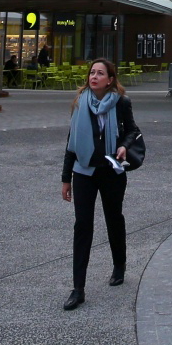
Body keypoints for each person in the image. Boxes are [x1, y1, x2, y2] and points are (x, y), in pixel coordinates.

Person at [59, 59, 139, 311]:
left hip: (111, 170)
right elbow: (71, 141)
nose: (94, 76)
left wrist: (125, 145)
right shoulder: (80, 103)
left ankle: (119, 264)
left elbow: (132, 131)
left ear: (110, 80)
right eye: (92, 72)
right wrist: (65, 178)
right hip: (83, 171)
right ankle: (78, 288)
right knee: (83, 225)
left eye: (100, 73)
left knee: (113, 217)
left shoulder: (121, 103)